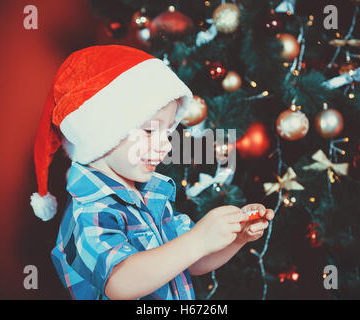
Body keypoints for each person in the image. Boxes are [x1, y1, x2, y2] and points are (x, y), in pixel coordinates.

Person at [30, 45, 275, 300]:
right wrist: (198, 240)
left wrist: (236, 239)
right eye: (149, 131)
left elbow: (192, 261)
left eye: (168, 132)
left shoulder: (151, 196)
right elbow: (120, 283)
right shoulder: (87, 212)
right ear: (101, 134)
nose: (167, 145)